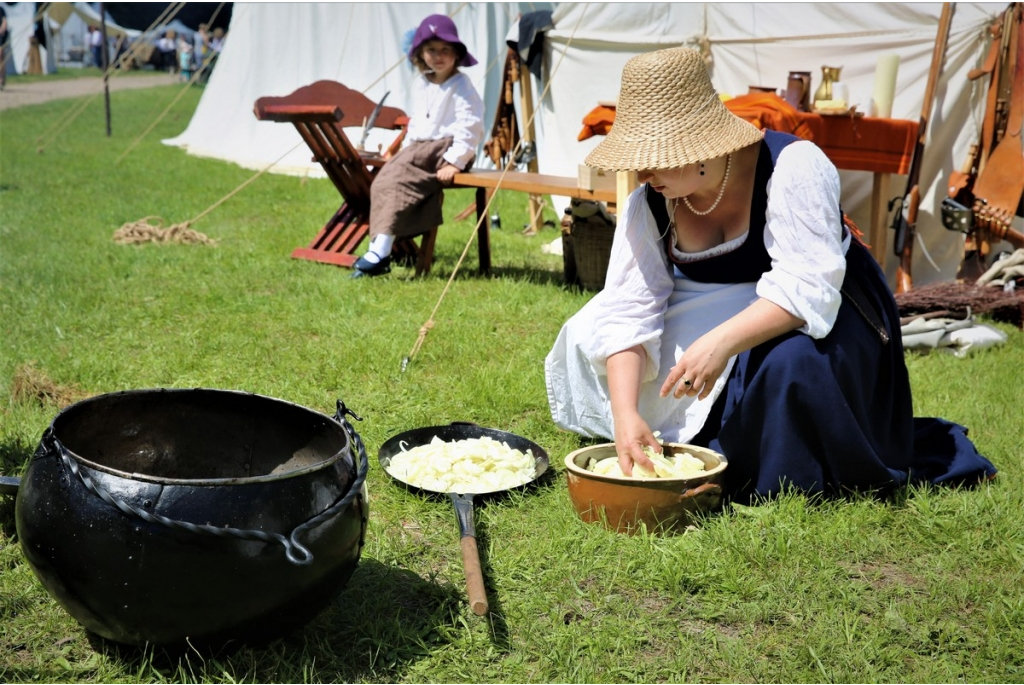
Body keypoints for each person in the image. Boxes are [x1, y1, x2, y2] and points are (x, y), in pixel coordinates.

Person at [545, 47, 996, 500]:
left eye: (654, 157)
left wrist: (720, 343)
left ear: (696, 145)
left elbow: (809, 288)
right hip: (714, 302)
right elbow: (628, 307)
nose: (641, 173)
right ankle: (674, 437)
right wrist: (625, 413)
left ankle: (762, 464)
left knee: (789, 367)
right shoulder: (650, 202)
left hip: (818, 306)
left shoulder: (792, 166)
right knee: (592, 335)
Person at [352, 14, 485, 278]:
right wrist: (405, 151)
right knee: (383, 180)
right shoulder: (422, 83)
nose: (438, 56)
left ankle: (379, 253)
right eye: (431, 50)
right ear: (421, 53)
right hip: (422, 149)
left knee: (397, 178)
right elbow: (417, 124)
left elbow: (470, 126)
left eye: (445, 50)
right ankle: (380, 247)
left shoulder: (461, 85)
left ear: (456, 54)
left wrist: (454, 161)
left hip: (447, 149)